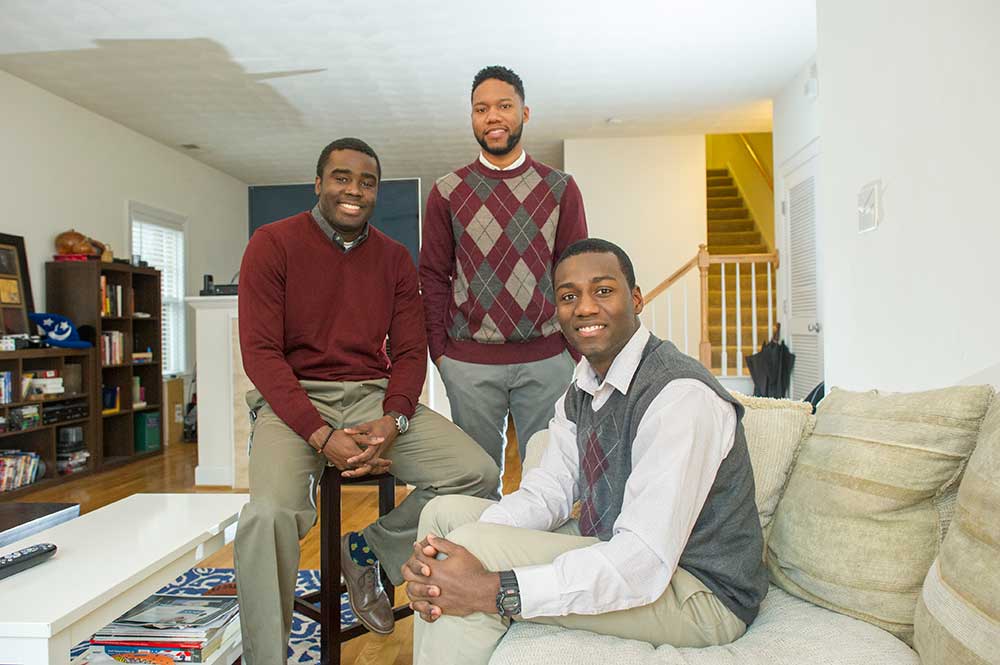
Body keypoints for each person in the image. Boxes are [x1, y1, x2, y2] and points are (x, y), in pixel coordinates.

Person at [404, 238, 768, 665]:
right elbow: (547, 493)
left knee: (472, 552)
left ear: (636, 299)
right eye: (568, 296)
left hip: (698, 592)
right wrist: (441, 566)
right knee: (442, 520)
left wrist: (495, 587)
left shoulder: (678, 396)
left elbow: (643, 562)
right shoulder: (584, 385)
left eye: (603, 291)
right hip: (615, 541)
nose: (585, 307)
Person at [234, 137, 499, 665]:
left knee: (478, 472)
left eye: (367, 182)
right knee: (267, 516)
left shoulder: (395, 259)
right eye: (342, 177)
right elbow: (261, 355)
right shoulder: (272, 243)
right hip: (293, 403)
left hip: (371, 399)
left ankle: (369, 552)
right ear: (318, 183)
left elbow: (408, 351)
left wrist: (394, 418)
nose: (354, 190)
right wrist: (319, 434)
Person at [419, 65, 588, 475]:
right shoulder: (446, 192)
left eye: (504, 106)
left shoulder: (560, 188)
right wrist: (440, 353)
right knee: (476, 479)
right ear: (473, 118)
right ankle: (477, 544)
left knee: (550, 477)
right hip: (469, 363)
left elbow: (576, 273)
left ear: (524, 114)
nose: (492, 116)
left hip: (548, 359)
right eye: (481, 109)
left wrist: (572, 349)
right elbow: (432, 275)